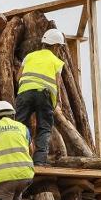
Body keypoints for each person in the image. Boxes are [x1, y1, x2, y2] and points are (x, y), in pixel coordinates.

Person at [15, 28, 67, 166]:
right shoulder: (57, 62)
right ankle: (38, 162)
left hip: (24, 93)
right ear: (55, 46)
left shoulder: (29, 56)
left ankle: (19, 157)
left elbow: (18, 77)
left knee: (19, 125)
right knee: (44, 128)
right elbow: (57, 84)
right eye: (59, 47)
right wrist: (57, 102)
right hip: (44, 96)